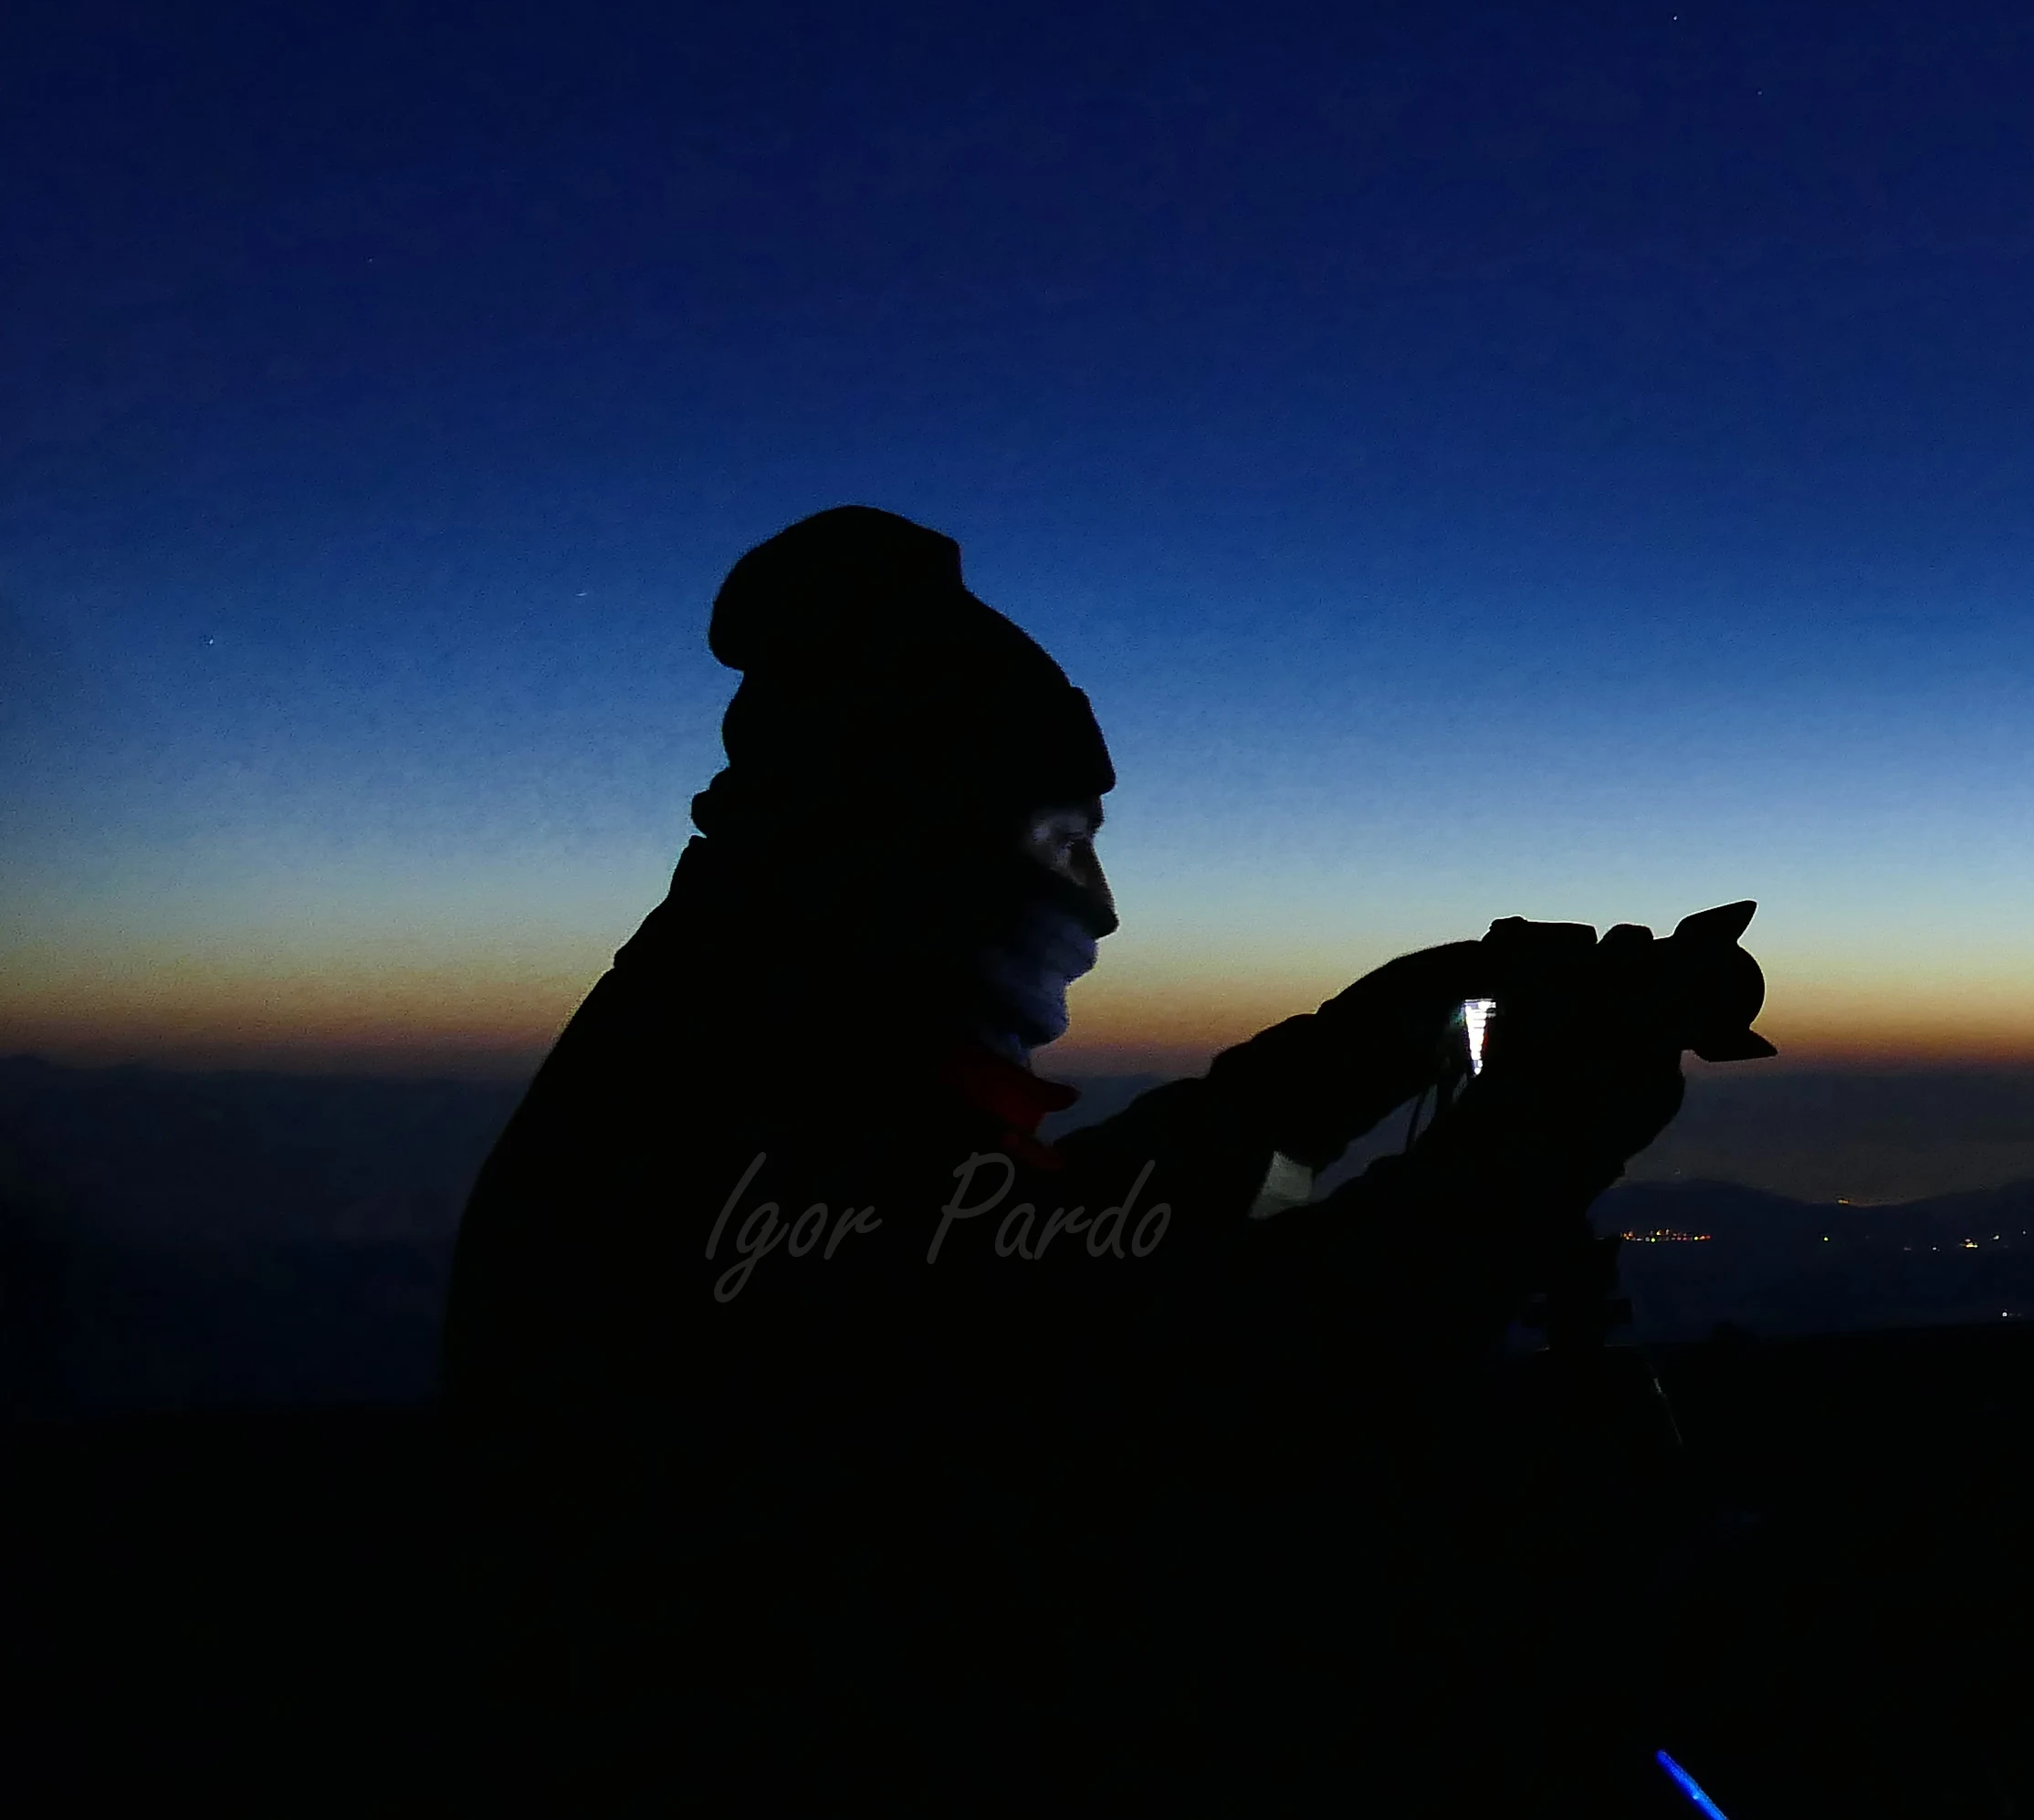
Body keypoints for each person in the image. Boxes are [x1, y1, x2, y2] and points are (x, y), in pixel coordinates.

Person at [444, 504, 1763, 1429]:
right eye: (1065, 843)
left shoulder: (742, 1039)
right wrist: (1537, 1141)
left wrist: (1378, 1039)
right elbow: (1213, 1362)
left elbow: (1105, 1237)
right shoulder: (752, 1118)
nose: (1103, 909)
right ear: (913, 840)